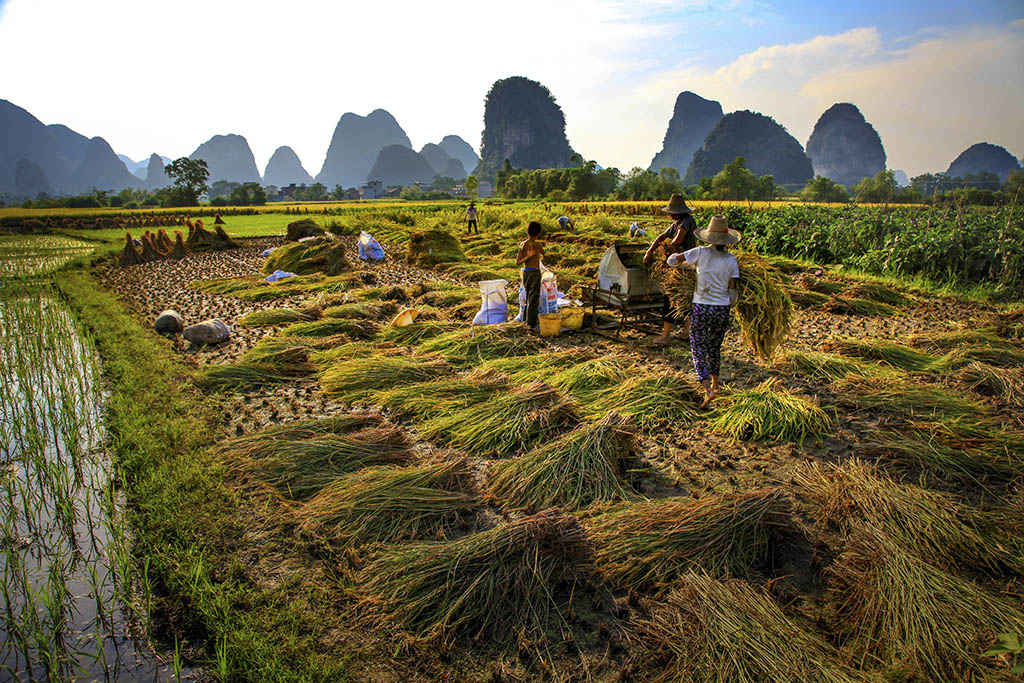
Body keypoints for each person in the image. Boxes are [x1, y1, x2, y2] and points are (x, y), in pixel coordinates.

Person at [666, 215, 741, 409]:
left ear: (708, 237)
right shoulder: (732, 260)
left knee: (698, 346)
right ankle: (716, 384)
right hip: (722, 309)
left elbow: (672, 261)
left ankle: (707, 388)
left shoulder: (699, 252)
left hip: (702, 307)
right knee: (714, 347)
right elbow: (732, 291)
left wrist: (683, 262)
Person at [643, 193, 698, 345]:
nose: (669, 215)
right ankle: (686, 333)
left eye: (671, 212)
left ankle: (666, 336)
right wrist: (650, 251)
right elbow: (661, 236)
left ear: (678, 211)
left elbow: (678, 240)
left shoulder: (687, 221)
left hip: (685, 267)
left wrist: (667, 249)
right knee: (686, 298)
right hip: (679, 266)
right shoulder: (677, 222)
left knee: (671, 298)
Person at [516, 221, 545, 331]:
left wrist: (526, 257)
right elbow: (544, 254)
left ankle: (525, 319)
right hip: (534, 273)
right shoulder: (537, 245)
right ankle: (530, 324)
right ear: (538, 234)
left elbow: (518, 262)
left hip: (526, 273)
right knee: (533, 299)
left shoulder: (522, 244)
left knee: (527, 297)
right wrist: (530, 256)